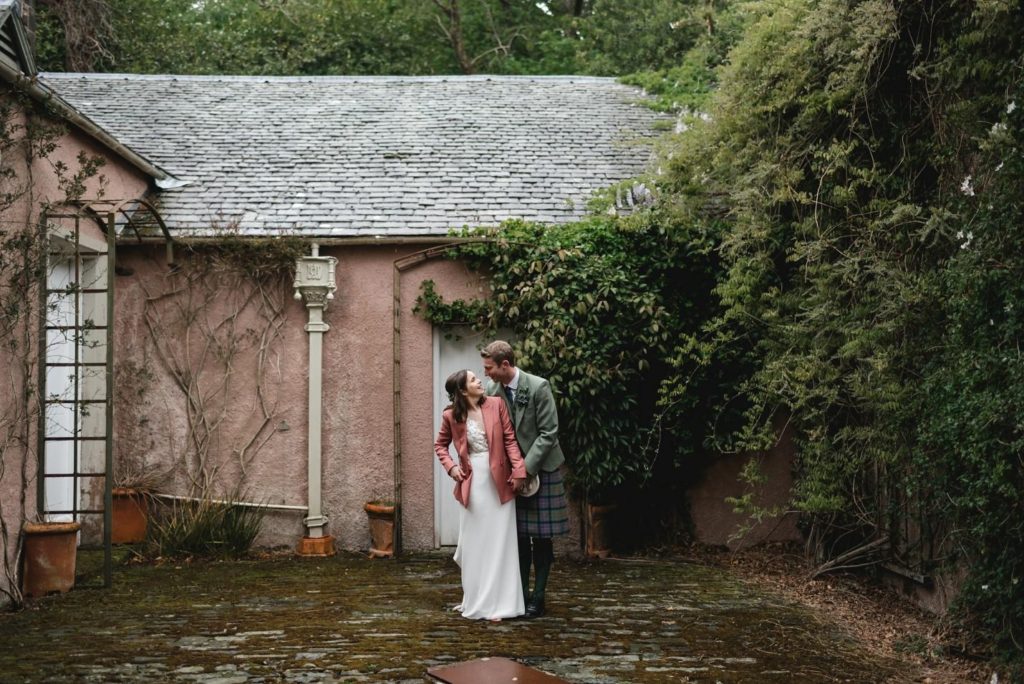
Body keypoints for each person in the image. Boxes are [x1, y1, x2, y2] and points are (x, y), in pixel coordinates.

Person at [481, 340, 568, 619]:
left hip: (541, 469)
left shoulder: (539, 387)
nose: (486, 373)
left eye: (489, 368)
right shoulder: (492, 390)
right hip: (511, 475)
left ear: (505, 365)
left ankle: (538, 597)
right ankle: (520, 596)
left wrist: (525, 469)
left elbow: (549, 432)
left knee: (541, 538)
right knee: (517, 537)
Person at [434, 369, 527, 621]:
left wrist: (519, 470)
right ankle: (478, 600)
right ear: (463, 391)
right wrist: (451, 468)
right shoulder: (451, 415)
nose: (479, 381)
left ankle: (502, 604)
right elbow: (440, 445)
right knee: (477, 543)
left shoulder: (497, 404)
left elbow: (510, 440)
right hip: (473, 484)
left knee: (501, 542)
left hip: (500, 482)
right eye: (473, 380)